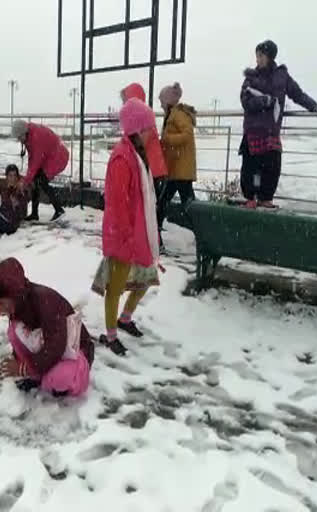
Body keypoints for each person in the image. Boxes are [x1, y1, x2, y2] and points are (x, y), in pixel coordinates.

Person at [92, 99, 161, 356]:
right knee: (116, 287)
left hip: (139, 231)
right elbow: (117, 202)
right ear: (135, 128)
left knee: (146, 278)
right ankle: (110, 335)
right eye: (147, 129)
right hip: (123, 234)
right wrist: (127, 236)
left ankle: (125, 319)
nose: (151, 134)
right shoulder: (122, 158)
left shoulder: (137, 154)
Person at [0, 258, 94, 397]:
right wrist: (19, 361)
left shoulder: (45, 301)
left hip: (75, 351)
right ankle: (38, 373)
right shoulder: (19, 303)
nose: (0, 310)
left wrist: (24, 369)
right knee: (14, 331)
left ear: (13, 295)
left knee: (58, 378)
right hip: (53, 350)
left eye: (1, 303)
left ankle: (74, 374)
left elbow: (55, 346)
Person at [240, 40, 317, 209]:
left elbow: (297, 94)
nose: (258, 59)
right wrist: (265, 101)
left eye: (261, 55)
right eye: (257, 55)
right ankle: (250, 198)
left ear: (270, 56)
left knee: (272, 166)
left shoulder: (281, 76)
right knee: (251, 168)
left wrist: (314, 106)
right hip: (253, 130)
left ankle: (266, 199)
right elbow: (245, 100)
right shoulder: (251, 77)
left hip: (271, 130)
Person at [121, 83, 171, 252]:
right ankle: (153, 241)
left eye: (125, 99)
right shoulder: (144, 116)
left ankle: (155, 242)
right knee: (149, 206)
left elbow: (140, 142)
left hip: (152, 171)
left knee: (148, 207)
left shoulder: (141, 118)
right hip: (155, 170)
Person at [158, 82, 197, 252]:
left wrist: (167, 140)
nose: (160, 105)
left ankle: (156, 234)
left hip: (180, 170)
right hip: (177, 169)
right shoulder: (172, 114)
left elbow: (187, 135)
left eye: (161, 101)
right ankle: (203, 234)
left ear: (168, 101)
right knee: (189, 206)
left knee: (164, 203)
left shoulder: (178, 114)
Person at [10, 120, 68, 223]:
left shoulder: (36, 137)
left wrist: (25, 181)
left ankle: (59, 210)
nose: (19, 140)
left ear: (24, 133)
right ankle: (34, 214)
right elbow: (32, 159)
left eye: (19, 137)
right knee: (35, 181)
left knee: (41, 181)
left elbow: (36, 161)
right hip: (48, 157)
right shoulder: (29, 136)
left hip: (58, 157)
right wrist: (28, 178)